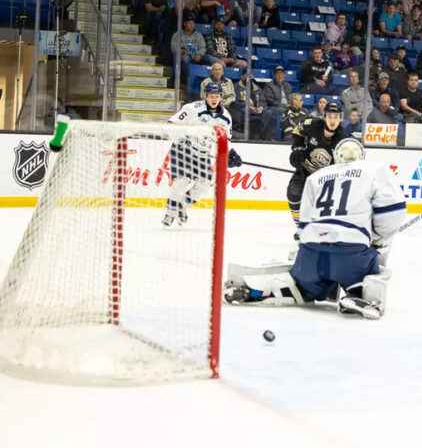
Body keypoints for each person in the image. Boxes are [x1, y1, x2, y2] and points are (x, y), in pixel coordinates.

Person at [224, 138, 406, 319]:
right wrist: (377, 239)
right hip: (350, 255)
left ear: (336, 156)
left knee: (302, 286)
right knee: (378, 264)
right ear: (362, 155)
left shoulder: (316, 176)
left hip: (311, 254)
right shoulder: (374, 169)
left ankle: (263, 291)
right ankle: (359, 295)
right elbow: (392, 211)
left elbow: (303, 224)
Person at [163, 83, 241, 227]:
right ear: (205, 96)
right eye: (211, 96)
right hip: (183, 149)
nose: (214, 98)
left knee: (204, 185)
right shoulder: (192, 108)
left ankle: (182, 205)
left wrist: (229, 154)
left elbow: (225, 140)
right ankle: (170, 212)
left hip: (203, 154)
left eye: (217, 96)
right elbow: (171, 123)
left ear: (221, 97)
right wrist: (179, 135)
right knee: (182, 181)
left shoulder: (225, 117)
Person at [286, 103, 345, 229]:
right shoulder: (312, 124)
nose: (333, 120)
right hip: (306, 170)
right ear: (324, 117)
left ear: (340, 118)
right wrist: (298, 148)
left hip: (329, 178)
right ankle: (301, 227)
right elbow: (297, 130)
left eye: (336, 117)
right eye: (330, 116)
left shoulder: (344, 139)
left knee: (325, 204)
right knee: (294, 194)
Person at [232, 74, 273, 140]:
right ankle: (254, 135)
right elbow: (235, 102)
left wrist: (261, 107)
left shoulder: (257, 88)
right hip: (244, 109)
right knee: (243, 111)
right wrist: (249, 107)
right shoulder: (236, 87)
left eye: (251, 76)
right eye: (246, 75)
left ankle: (259, 133)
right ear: (242, 76)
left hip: (257, 110)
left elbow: (263, 101)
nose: (249, 78)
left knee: (269, 112)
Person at [171, 15, 206, 80]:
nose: (192, 25)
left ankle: (190, 80)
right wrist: (181, 51)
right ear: (184, 24)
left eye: (193, 23)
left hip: (195, 56)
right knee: (183, 58)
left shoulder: (198, 35)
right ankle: (179, 80)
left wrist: (199, 54)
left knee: (206, 59)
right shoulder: (177, 34)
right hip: (184, 56)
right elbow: (173, 47)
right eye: (190, 23)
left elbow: (203, 47)